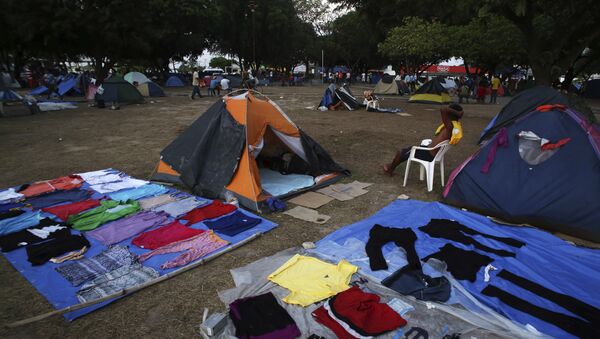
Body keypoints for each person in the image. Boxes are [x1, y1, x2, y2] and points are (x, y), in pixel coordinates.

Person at [382, 104, 464, 176]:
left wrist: (458, 113)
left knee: (401, 152)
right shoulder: (453, 126)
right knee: (407, 151)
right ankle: (390, 166)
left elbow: (443, 109)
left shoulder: (449, 126)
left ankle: (390, 169)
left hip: (428, 155)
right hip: (430, 152)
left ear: (450, 114)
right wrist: (458, 113)